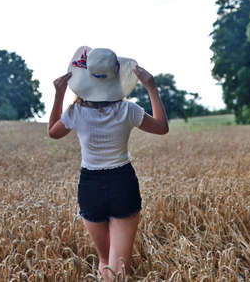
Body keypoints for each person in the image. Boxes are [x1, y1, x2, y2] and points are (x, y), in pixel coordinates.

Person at [47, 46, 168, 281]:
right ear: (117, 73)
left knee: (105, 262)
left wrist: (59, 93)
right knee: (119, 268)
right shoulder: (127, 110)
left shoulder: (76, 113)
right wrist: (152, 88)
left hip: (90, 188)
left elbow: (52, 132)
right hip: (123, 184)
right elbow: (162, 128)